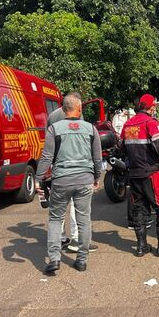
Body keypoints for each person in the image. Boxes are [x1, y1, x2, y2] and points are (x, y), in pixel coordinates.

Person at [35, 93, 103, 275]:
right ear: (80, 108)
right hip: (84, 180)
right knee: (83, 219)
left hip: (61, 180)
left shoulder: (54, 129)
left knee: (56, 219)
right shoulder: (91, 129)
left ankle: (55, 259)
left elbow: (47, 156)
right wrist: (96, 177)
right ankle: (81, 260)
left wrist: (38, 178)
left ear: (63, 109)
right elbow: (97, 158)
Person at [120, 93, 159, 257]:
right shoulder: (150, 123)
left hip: (134, 174)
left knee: (139, 209)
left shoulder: (128, 125)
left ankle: (141, 247)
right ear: (151, 107)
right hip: (151, 173)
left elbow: (121, 148)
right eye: (155, 106)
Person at [45, 92, 98, 254]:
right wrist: (96, 176)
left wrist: (41, 176)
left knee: (57, 211)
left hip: (59, 169)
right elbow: (83, 142)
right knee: (79, 209)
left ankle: (60, 239)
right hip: (79, 169)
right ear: (77, 105)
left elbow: (48, 147)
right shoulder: (79, 119)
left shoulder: (52, 116)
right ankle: (77, 240)